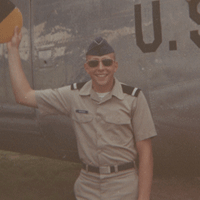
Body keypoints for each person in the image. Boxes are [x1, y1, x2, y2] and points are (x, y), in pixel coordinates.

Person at [7, 26, 157, 200]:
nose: (101, 68)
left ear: (115, 66)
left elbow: (146, 154)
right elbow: (24, 96)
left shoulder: (134, 98)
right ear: (86, 68)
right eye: (94, 63)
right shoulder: (73, 95)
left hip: (123, 186)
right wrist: (12, 50)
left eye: (107, 62)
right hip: (87, 187)